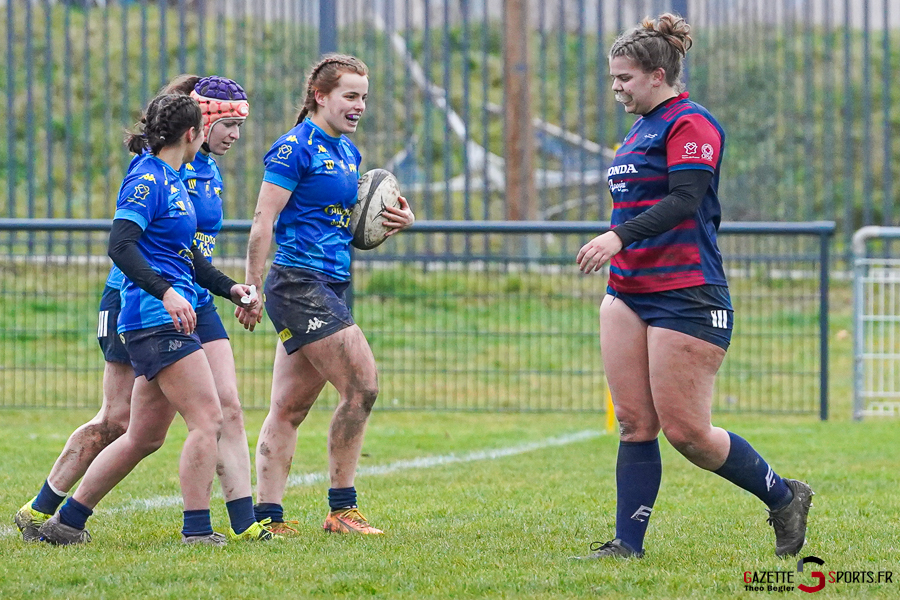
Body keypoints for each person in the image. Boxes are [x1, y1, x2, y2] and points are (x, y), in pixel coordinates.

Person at [574, 13, 813, 559]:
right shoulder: (640, 129)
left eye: (624, 78)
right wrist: (621, 254)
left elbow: (683, 200)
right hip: (628, 291)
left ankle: (783, 496)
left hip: (687, 292)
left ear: (658, 75)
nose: (616, 87)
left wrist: (616, 238)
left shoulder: (692, 124)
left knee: (687, 433)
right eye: (613, 78)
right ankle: (626, 546)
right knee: (634, 422)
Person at [15, 76, 274, 543]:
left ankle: (66, 523)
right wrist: (167, 293)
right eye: (229, 124)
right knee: (173, 420)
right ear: (196, 129)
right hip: (151, 311)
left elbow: (188, 256)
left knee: (146, 435)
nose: (236, 135)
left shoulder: (182, 176)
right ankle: (193, 529)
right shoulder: (149, 175)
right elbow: (122, 245)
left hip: (180, 306)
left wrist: (230, 288)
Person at [236, 54, 415, 535]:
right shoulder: (294, 148)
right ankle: (342, 509)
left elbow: (351, 224)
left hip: (331, 282)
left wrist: (397, 220)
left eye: (364, 98)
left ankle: (267, 518)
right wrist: (250, 290)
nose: (359, 106)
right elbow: (262, 223)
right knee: (363, 387)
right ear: (321, 96)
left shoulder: (348, 153)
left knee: (289, 408)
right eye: (350, 96)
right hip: (298, 283)